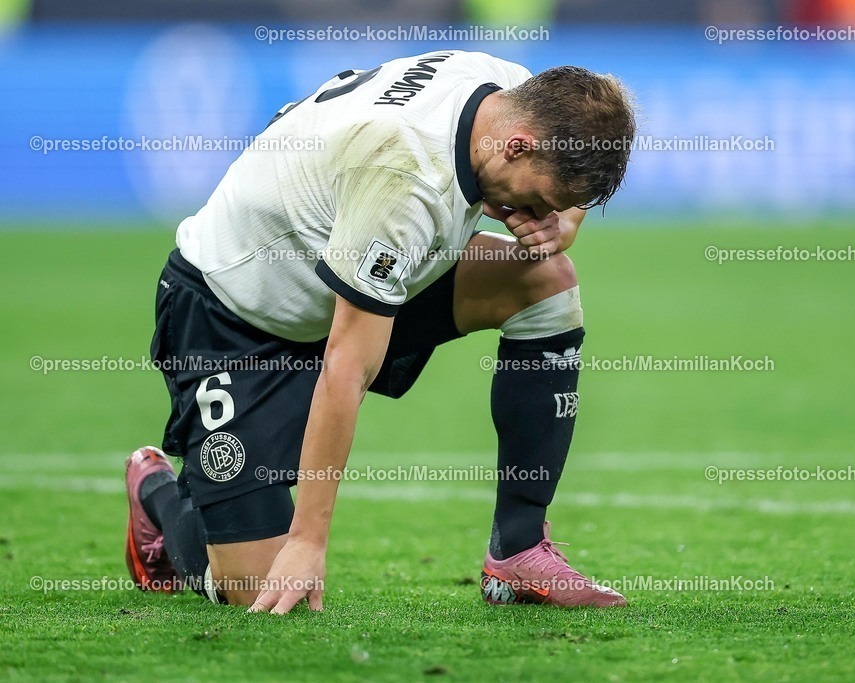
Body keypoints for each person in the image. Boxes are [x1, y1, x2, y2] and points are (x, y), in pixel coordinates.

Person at [124, 49, 636, 613]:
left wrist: (563, 219)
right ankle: (159, 498)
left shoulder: (513, 96)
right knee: (257, 586)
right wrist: (307, 541)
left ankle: (517, 550)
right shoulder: (405, 177)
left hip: (347, 272)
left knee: (545, 279)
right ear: (517, 145)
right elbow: (347, 366)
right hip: (233, 315)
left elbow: (552, 199)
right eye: (537, 198)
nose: (531, 213)